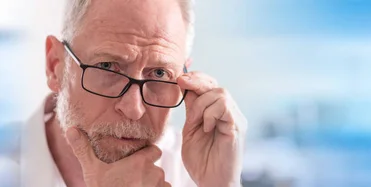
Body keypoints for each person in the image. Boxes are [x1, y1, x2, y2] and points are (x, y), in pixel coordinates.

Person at [15, 0, 247, 186]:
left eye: (158, 73)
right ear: (55, 66)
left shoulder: (194, 172)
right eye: (107, 66)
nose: (134, 109)